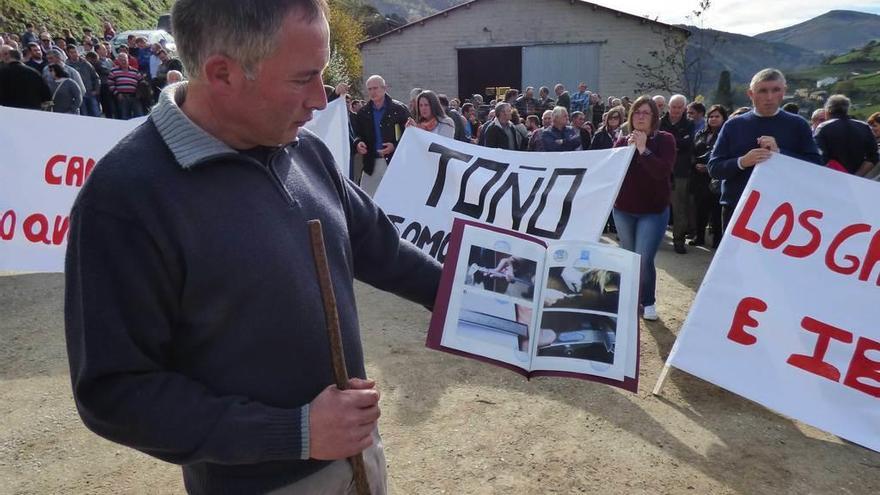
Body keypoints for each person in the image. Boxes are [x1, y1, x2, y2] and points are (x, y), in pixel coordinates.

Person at [64, 1, 441, 494]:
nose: (319, 100)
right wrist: (297, 433)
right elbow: (113, 392)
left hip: (360, 461)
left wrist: (509, 305)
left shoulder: (306, 151)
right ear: (222, 73)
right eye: (303, 78)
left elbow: (387, 254)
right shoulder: (126, 197)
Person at [708, 68, 822, 231]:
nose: (769, 97)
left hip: (782, 212)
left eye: (775, 90)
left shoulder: (798, 125)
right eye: (762, 91)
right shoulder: (733, 125)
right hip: (737, 207)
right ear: (751, 94)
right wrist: (742, 162)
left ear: (784, 91)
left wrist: (780, 154)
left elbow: (815, 167)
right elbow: (714, 168)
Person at [612, 96, 676, 321]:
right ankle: (629, 298)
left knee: (643, 258)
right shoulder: (621, 142)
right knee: (629, 257)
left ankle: (647, 301)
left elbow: (662, 171)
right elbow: (611, 172)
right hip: (623, 210)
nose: (640, 116)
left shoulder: (665, 140)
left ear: (654, 117)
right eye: (636, 112)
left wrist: (643, 149)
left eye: (645, 112)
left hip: (653, 211)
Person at [352, 74, 410, 197]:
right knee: (367, 198)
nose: (373, 92)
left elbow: (410, 135)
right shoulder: (363, 112)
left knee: (395, 198)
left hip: (394, 162)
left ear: (385, 88)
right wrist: (358, 143)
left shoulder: (399, 109)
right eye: (369, 89)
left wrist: (394, 146)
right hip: (371, 164)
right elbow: (357, 133)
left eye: (376, 88)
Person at [660, 94, 695, 254]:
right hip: (659, 169)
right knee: (656, 204)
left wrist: (669, 143)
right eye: (673, 106)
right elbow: (656, 141)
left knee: (679, 206)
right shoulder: (659, 122)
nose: (676, 110)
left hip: (680, 171)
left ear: (684, 108)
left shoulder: (689, 124)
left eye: (679, 107)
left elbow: (688, 144)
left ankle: (679, 240)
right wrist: (675, 143)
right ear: (668, 106)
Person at [689, 104, 728, 248]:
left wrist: (709, 168)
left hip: (717, 178)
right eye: (711, 116)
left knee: (717, 211)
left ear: (723, 118)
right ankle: (699, 237)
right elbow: (692, 151)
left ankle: (717, 241)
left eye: (717, 116)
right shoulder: (701, 134)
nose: (713, 119)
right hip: (699, 178)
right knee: (700, 209)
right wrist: (695, 165)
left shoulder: (726, 135)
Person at [813, 94, 878, 176]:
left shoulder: (823, 127)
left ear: (828, 111)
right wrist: (857, 175)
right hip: (857, 179)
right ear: (847, 109)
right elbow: (873, 157)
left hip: (833, 177)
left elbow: (819, 156)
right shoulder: (864, 127)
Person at [65, 44, 101, 117]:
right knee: (84, 115)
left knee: (96, 114)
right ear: (68, 54)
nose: (74, 54)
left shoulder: (86, 63)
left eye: (75, 52)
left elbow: (96, 77)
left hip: (90, 93)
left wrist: (96, 90)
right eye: (71, 52)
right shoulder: (66, 66)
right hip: (78, 96)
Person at [107, 52, 144, 119]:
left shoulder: (135, 71)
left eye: (125, 59)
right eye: (121, 60)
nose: (123, 61)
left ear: (128, 60)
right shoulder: (113, 71)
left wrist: (139, 93)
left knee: (139, 116)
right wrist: (117, 94)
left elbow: (141, 83)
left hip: (134, 97)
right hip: (122, 97)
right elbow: (110, 84)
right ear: (118, 61)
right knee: (124, 117)